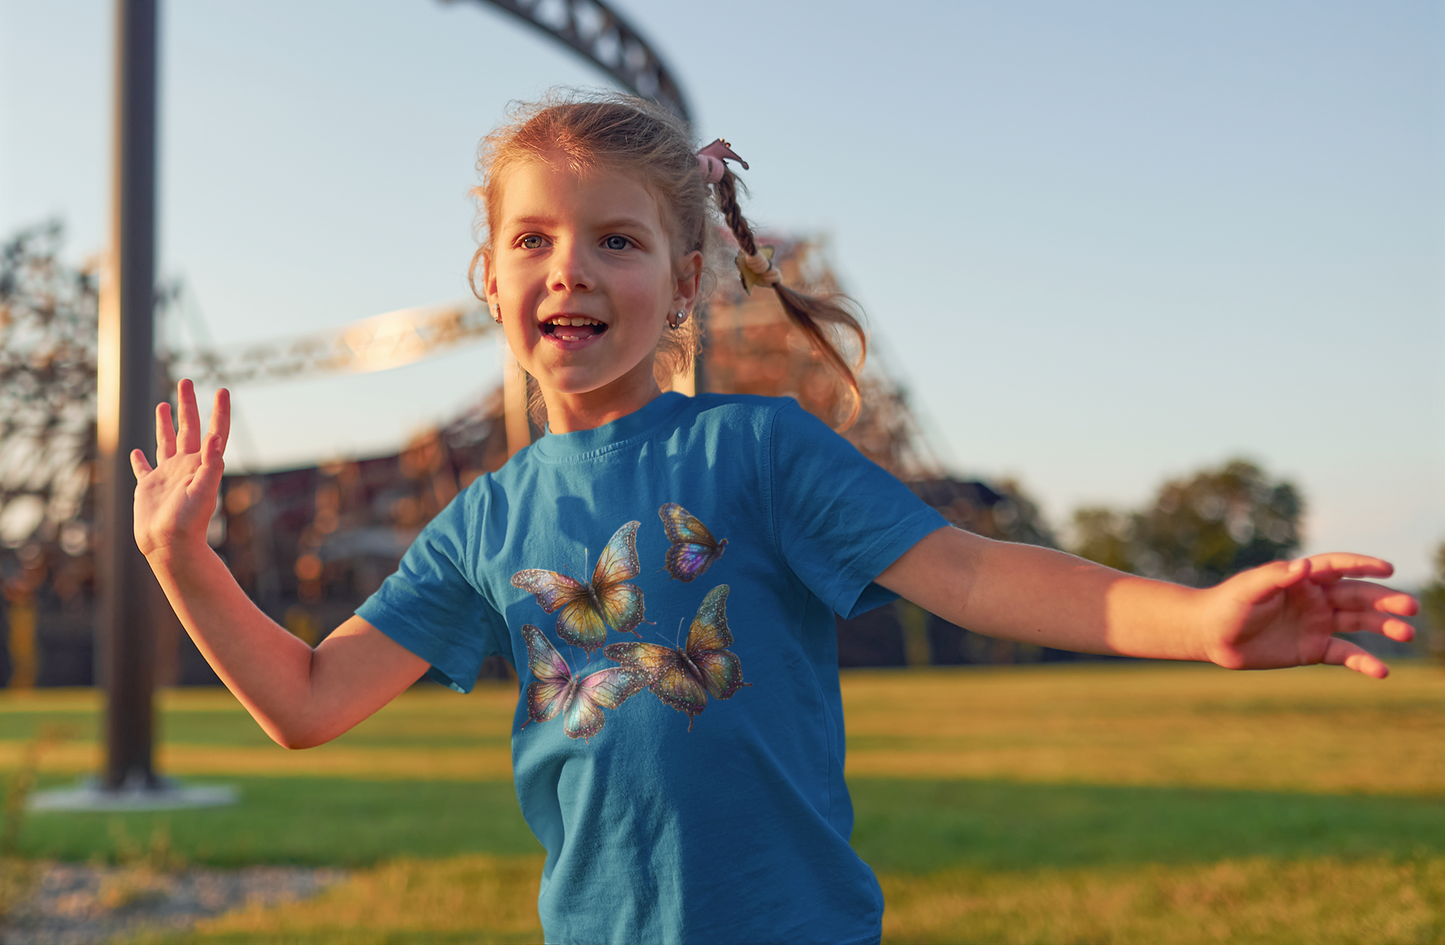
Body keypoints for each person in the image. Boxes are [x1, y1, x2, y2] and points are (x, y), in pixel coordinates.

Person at [130, 92, 1418, 945]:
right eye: (534, 239)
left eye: (617, 242)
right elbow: (303, 703)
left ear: (683, 283)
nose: (571, 266)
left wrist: (1198, 621)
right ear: (493, 276)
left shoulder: (757, 450)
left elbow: (974, 575)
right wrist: (180, 559)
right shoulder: (480, 522)